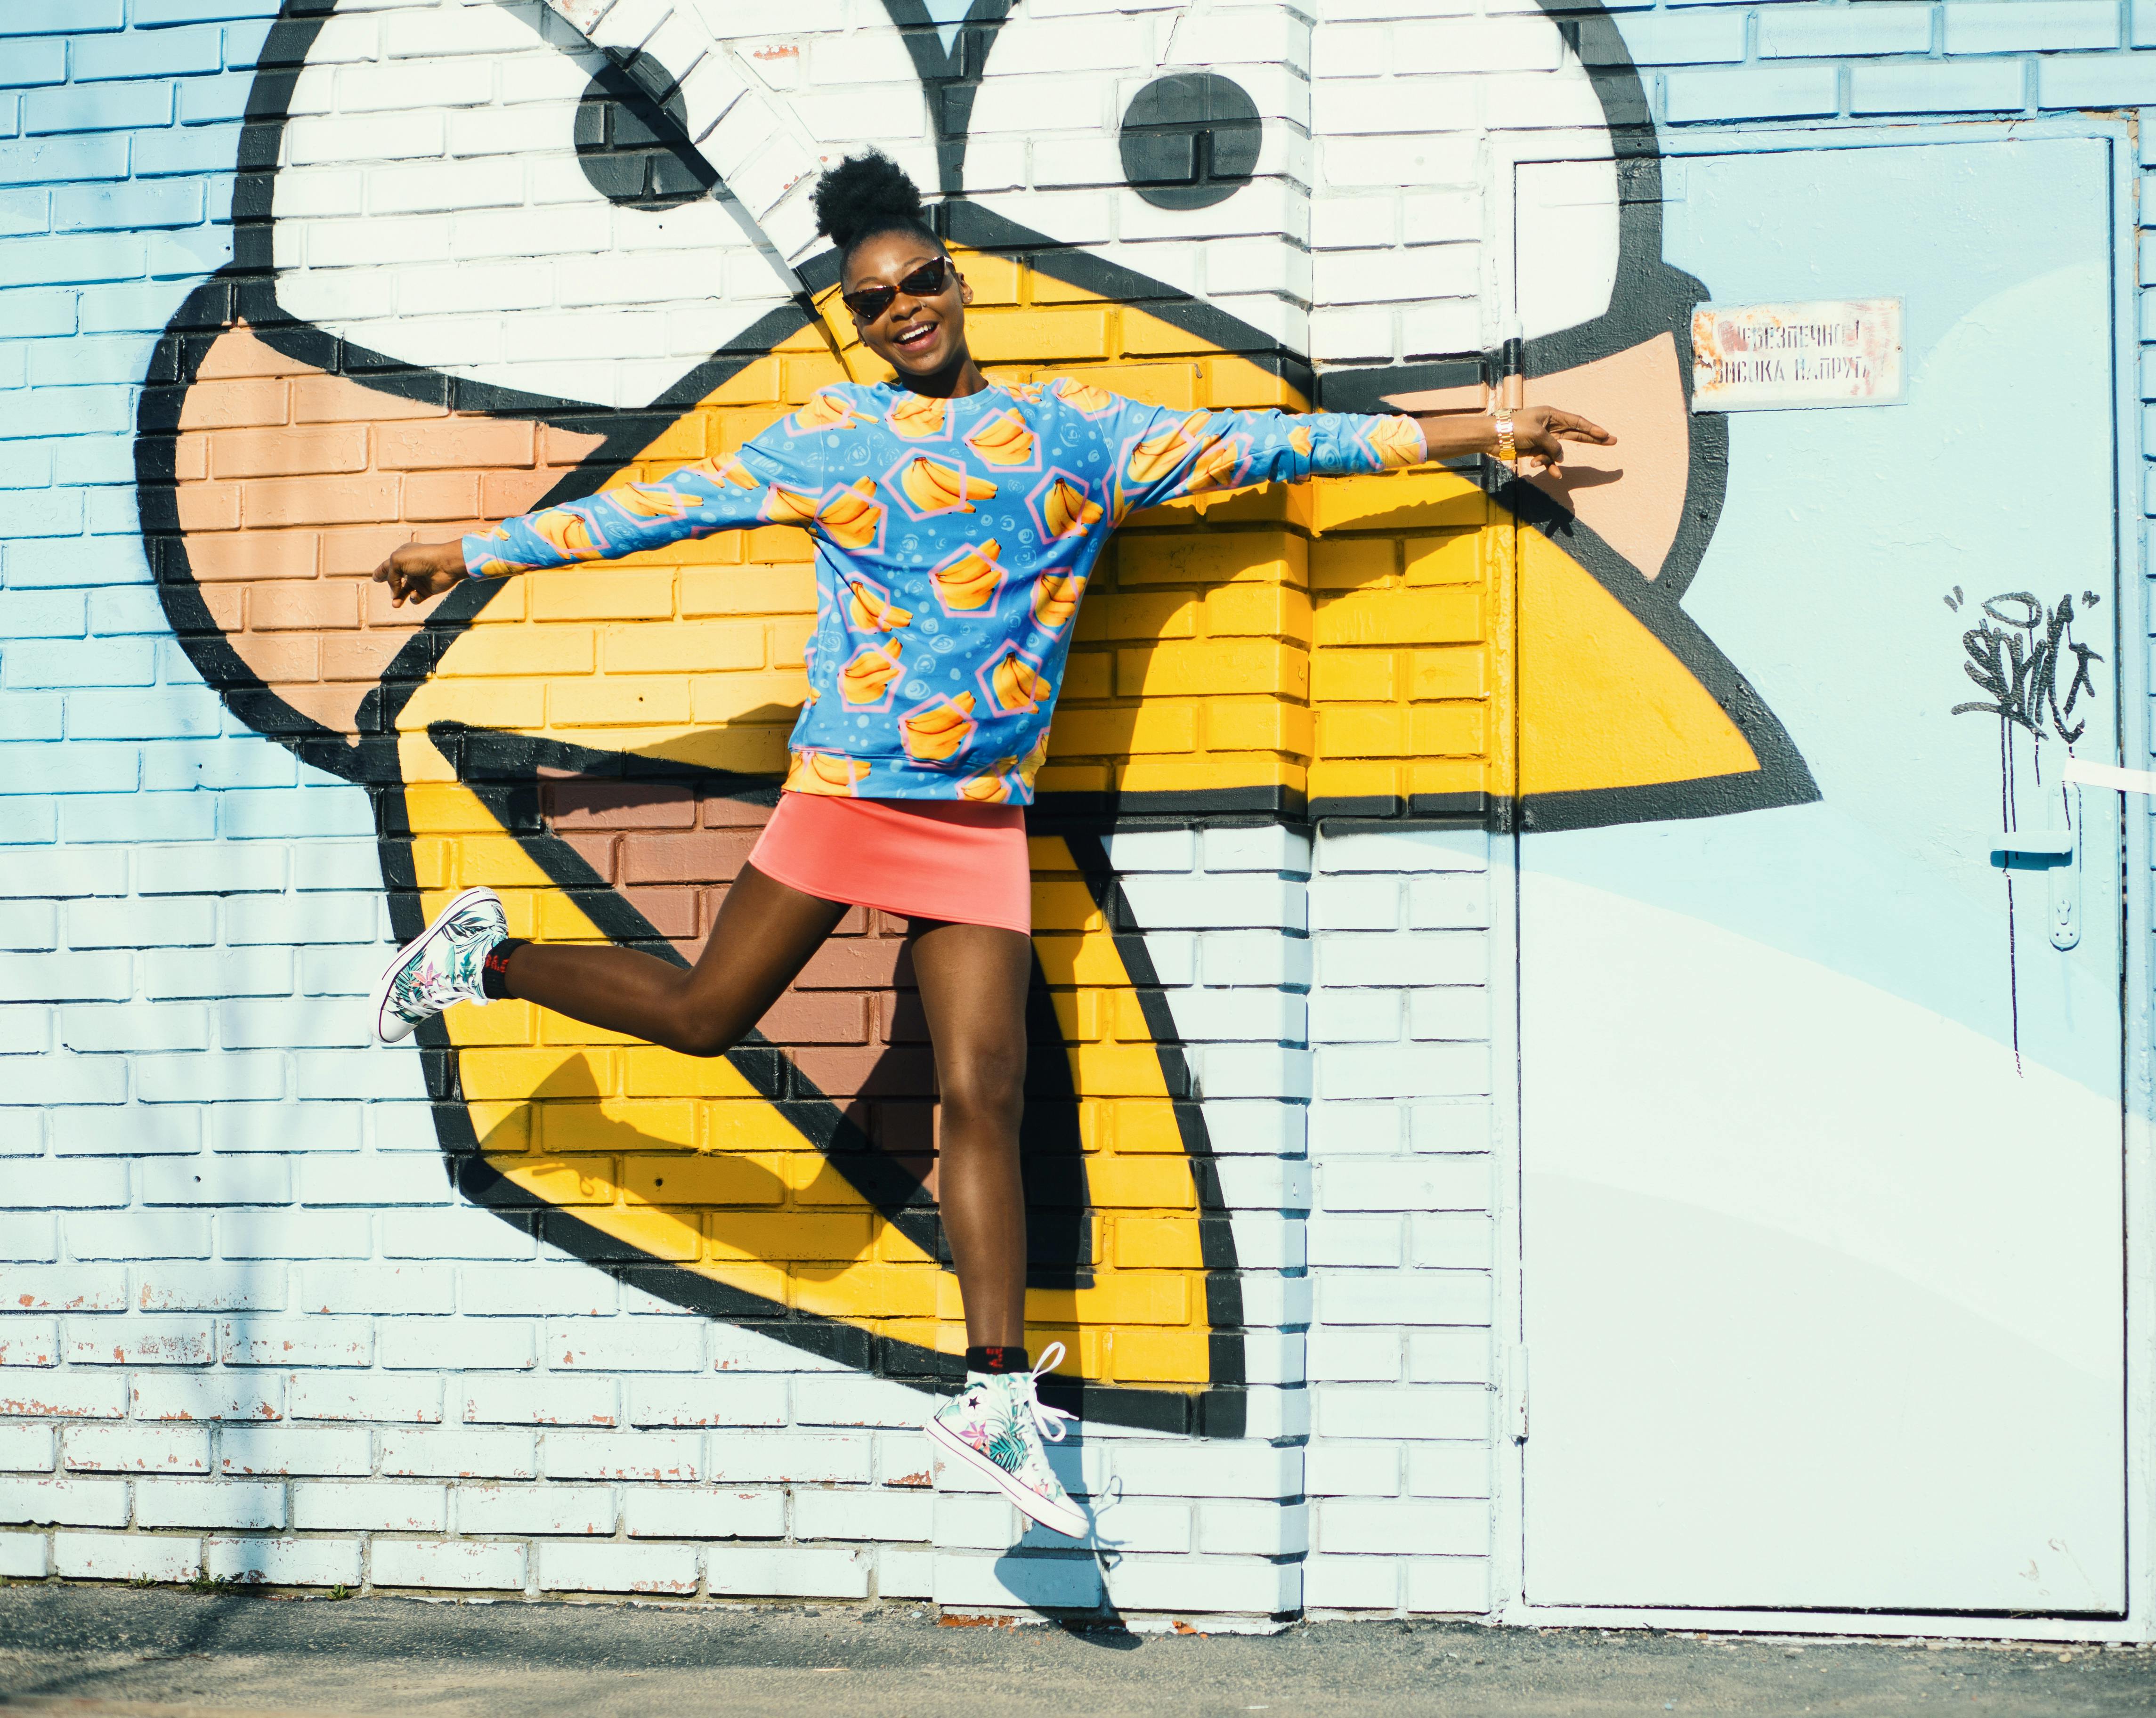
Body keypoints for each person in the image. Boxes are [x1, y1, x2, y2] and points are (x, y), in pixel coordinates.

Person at [365, 150, 1613, 1540]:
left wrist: (1480, 427)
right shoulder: (831, 437)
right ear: (856, 322)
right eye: (875, 300)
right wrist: (473, 552)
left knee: (986, 1096)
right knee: (710, 1015)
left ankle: (996, 1393)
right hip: (846, 795)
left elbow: (1278, 444)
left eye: (921, 282)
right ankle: (493, 954)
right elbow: (654, 510)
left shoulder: (1078, 433)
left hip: (980, 821)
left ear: (958, 281)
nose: (905, 309)